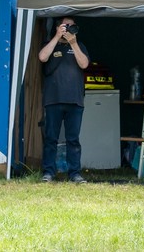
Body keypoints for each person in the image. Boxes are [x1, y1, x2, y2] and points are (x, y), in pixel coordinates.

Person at [38, 16, 90, 183]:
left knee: (73, 139)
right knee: (51, 138)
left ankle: (74, 173)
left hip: (75, 100)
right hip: (53, 99)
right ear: (57, 28)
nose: (68, 30)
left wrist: (73, 43)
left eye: (72, 27)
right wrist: (56, 37)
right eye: (65, 26)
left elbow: (84, 64)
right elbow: (42, 57)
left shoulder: (79, 46)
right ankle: (49, 172)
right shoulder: (52, 45)